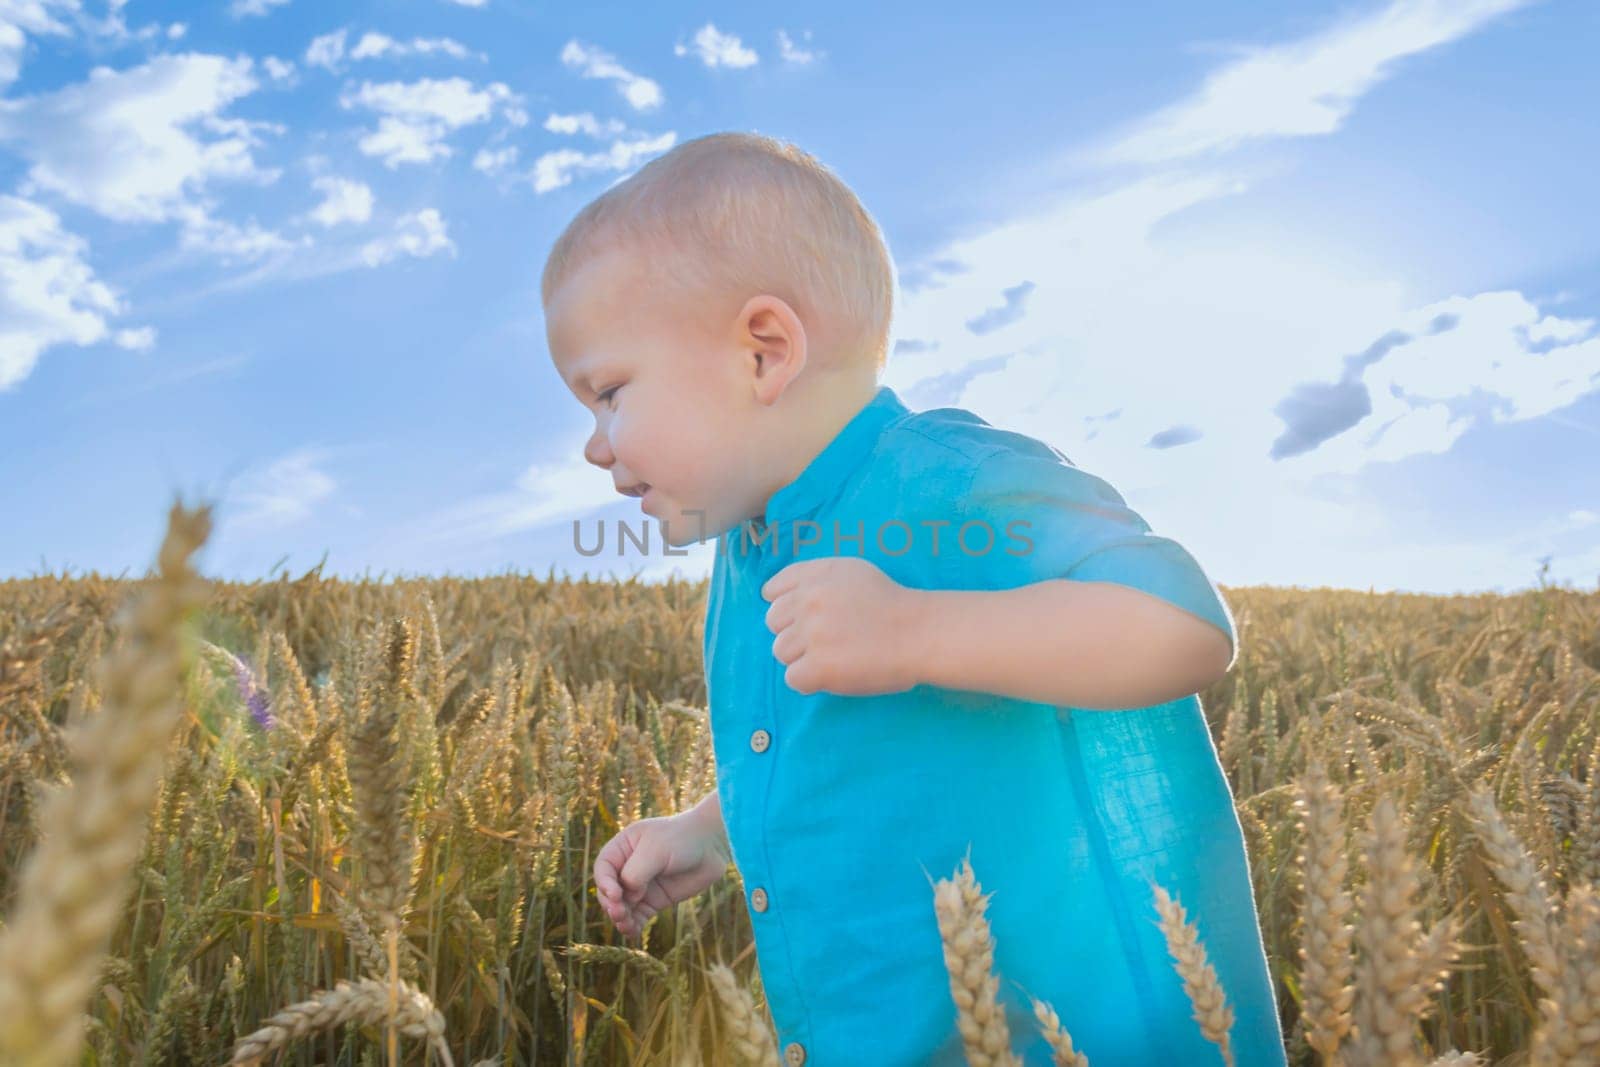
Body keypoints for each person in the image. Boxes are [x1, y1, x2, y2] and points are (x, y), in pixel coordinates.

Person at [545, 131, 1286, 1067]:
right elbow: (840, 757)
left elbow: (1184, 626)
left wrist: (919, 627)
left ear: (764, 353)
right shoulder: (747, 551)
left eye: (609, 393)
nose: (594, 444)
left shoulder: (948, 483)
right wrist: (707, 831)